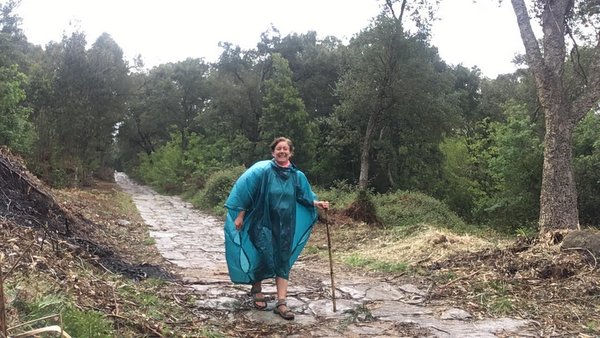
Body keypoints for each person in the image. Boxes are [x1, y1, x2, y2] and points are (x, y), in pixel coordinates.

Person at [223, 137, 329, 320]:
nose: (282, 151)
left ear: (290, 152)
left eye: (285, 149)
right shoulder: (262, 172)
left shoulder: (297, 176)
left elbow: (304, 196)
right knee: (263, 255)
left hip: (286, 225)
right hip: (261, 223)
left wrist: (317, 203)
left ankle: (281, 302)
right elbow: (247, 193)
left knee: (283, 259)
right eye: (278, 149)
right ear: (273, 152)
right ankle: (257, 289)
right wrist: (240, 215)